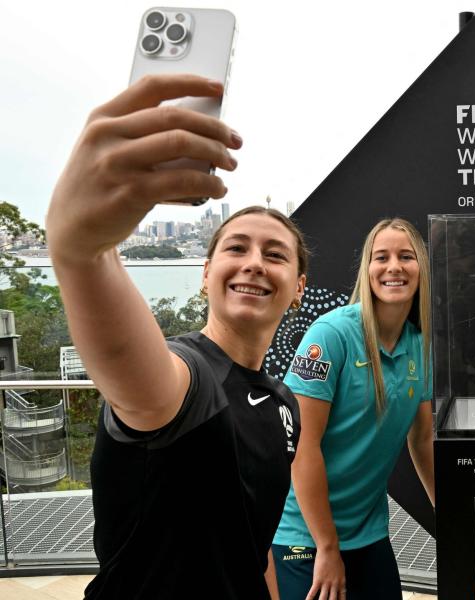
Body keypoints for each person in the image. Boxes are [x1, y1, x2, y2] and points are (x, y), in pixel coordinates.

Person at [46, 74, 306, 599]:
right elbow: (137, 373)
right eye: (237, 249)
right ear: (206, 273)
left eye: (275, 254)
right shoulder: (188, 375)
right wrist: (83, 253)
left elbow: (252, 546)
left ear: (298, 288)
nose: (255, 263)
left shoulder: (284, 405)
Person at [270, 218, 435, 600]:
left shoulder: (420, 345)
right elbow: (302, 446)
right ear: (368, 268)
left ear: (421, 268)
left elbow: (423, 438)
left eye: (406, 256)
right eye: (382, 257)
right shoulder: (331, 335)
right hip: (305, 536)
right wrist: (327, 547)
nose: (394, 266)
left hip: (369, 532)